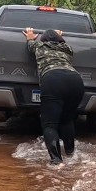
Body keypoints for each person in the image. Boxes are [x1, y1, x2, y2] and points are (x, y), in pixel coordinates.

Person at [24, 27, 83, 164]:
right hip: (75, 80)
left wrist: (30, 37)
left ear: (43, 40)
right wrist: (59, 36)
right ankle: (71, 155)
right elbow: (62, 43)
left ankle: (56, 161)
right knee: (67, 120)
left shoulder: (39, 46)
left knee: (50, 124)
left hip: (53, 79)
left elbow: (30, 44)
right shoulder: (67, 48)